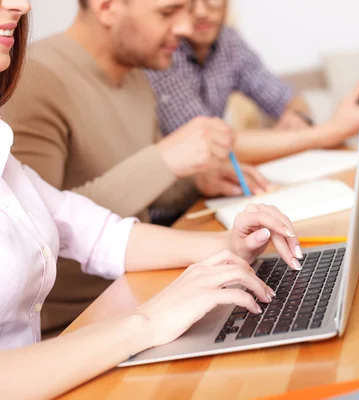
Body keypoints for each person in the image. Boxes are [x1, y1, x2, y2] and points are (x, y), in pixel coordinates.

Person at [0, 1, 303, 397]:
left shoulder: (7, 157)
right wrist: (146, 322)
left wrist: (229, 247)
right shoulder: (45, 80)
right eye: (166, 12)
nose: (22, 5)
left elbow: (97, 232)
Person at [146, 0, 359, 164]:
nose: (203, 12)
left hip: (213, 182)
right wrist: (326, 133)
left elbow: (285, 96)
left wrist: (298, 117)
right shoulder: (163, 51)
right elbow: (206, 143)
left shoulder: (228, 42)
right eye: (190, 3)